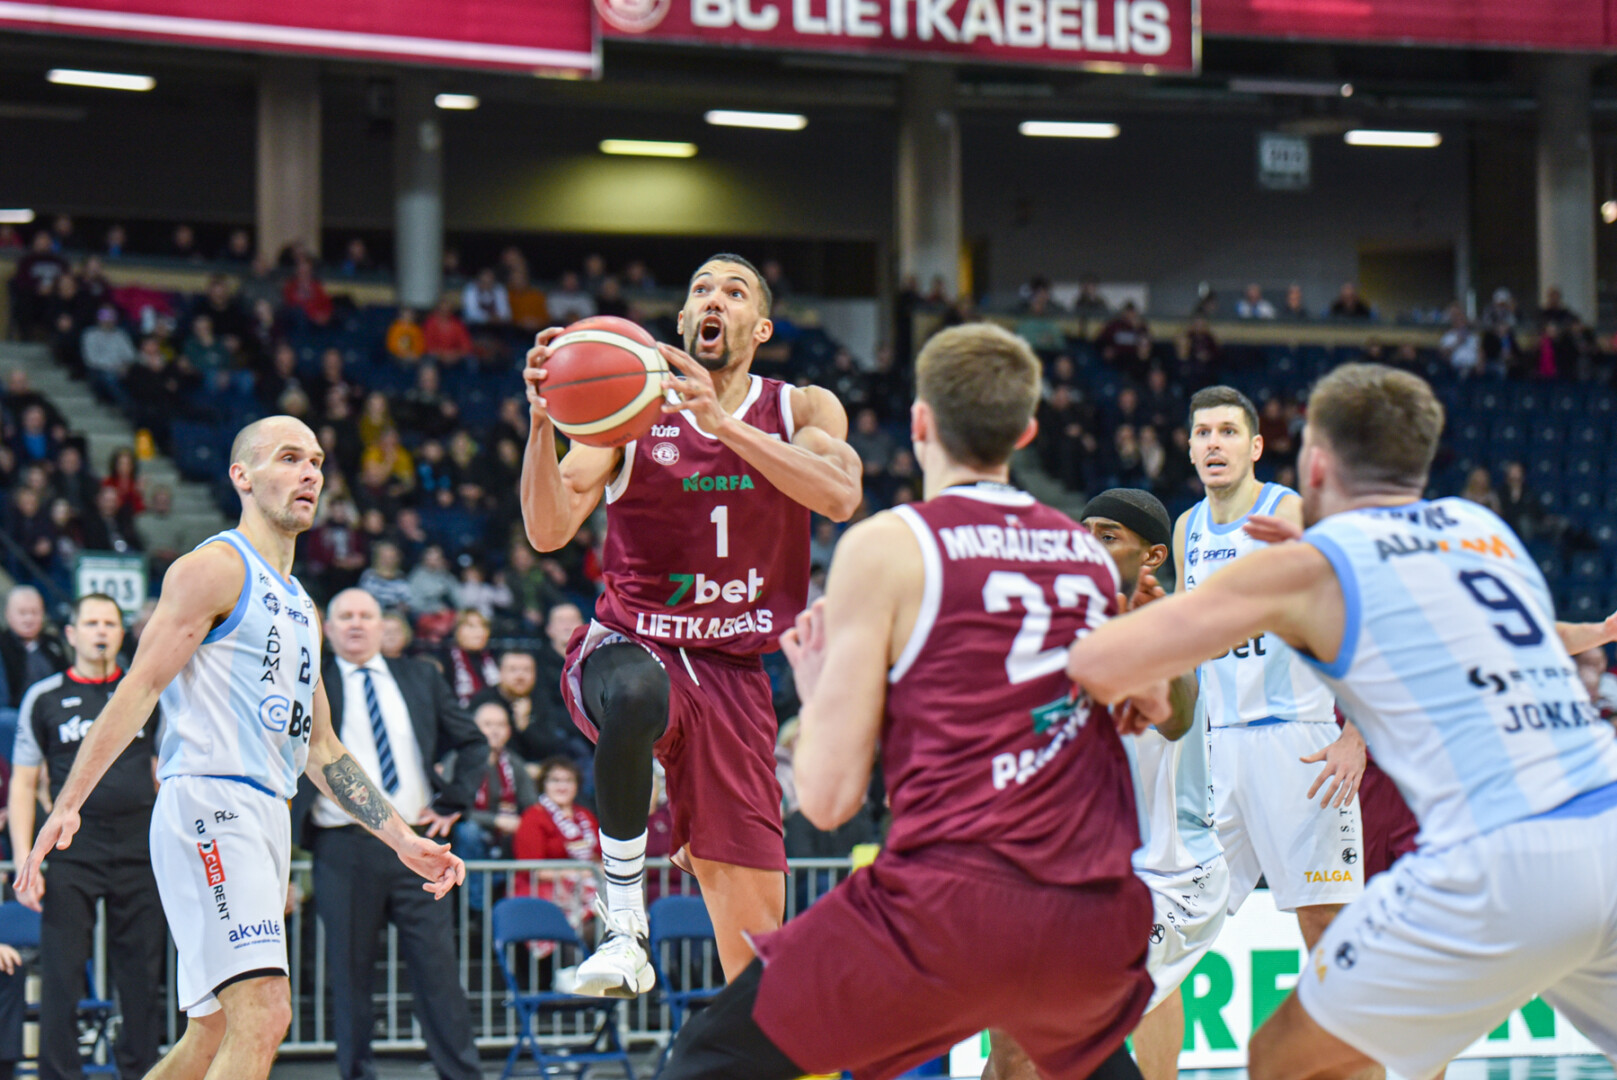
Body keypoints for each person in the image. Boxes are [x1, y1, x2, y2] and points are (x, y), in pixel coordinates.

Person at [1068, 363, 1617, 1080]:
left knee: (1292, 1052)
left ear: (1316, 464)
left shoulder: (1310, 550)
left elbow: (1103, 661)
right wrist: (1596, 631)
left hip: (1488, 844)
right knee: (1385, 1034)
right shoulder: (1478, 527)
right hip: (1602, 820)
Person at [659, 322, 1155, 1080]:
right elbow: (1139, 703)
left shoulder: (889, 545)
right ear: (1025, 430)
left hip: (947, 905)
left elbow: (828, 801)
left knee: (710, 1055)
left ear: (919, 422)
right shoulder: (1084, 553)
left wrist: (816, 691)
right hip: (1081, 906)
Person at [15, 416, 464, 1080]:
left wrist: (401, 838)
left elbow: (322, 749)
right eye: (289, 457)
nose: (309, 473)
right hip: (210, 802)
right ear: (242, 476)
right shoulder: (214, 569)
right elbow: (138, 688)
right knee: (265, 1013)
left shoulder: (303, 607)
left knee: (213, 1033)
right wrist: (68, 803)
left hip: (265, 812)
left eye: (316, 461)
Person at [520, 254, 861, 996]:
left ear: (760, 327)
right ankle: (623, 927)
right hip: (635, 640)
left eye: (734, 292)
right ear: (680, 322)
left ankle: (738, 1043)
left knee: (757, 963)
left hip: (735, 673)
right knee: (636, 694)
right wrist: (543, 422)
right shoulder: (628, 410)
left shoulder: (802, 408)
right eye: (700, 290)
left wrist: (723, 427)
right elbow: (547, 530)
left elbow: (839, 496)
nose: (714, 299)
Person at [987, 489, 1225, 1080]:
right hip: (1087, 873)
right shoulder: (1066, 629)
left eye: (1109, 536)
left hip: (1171, 877)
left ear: (1153, 557)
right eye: (1085, 531)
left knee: (1043, 1025)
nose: (1088, 544)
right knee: (1010, 1039)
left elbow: (1177, 717)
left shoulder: (1173, 630)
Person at [1174, 387, 1365, 956]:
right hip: (1216, 751)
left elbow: (1361, 615)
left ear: (1255, 446)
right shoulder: (1187, 529)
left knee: (1327, 927)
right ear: (1189, 448)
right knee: (1171, 927)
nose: (1214, 444)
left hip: (1299, 745)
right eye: (1203, 433)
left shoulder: (1290, 514)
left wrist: (1355, 736)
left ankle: (1369, 1018)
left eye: (1228, 432)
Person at [293, 587, 487, 1080]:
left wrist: (452, 802)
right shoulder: (310, 683)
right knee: (349, 972)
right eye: (345, 616)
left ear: (384, 626)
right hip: (342, 845)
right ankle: (357, 1074)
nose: (356, 624)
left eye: (366, 615)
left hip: (417, 842)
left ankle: (462, 1074)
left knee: (439, 970)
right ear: (327, 629)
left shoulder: (421, 676)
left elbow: (472, 742)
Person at [9, 594, 165, 1080]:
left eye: (110, 623)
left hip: (140, 848)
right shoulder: (45, 697)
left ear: (122, 634)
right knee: (62, 974)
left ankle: (142, 1072)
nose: (101, 631)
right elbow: (23, 783)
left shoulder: (146, 691)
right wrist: (26, 860)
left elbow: (167, 771)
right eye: (91, 623)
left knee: (141, 976)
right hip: (73, 850)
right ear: (71, 634)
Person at [511, 757, 601, 928]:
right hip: (545, 893)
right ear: (543, 784)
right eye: (555, 780)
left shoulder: (586, 816)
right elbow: (532, 870)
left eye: (569, 780)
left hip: (588, 889)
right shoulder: (533, 817)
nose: (562, 786)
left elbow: (600, 856)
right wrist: (581, 873)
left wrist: (597, 870)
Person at [0, 586, 68, 709]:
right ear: (7, 614)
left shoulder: (53, 644)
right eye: (22, 613)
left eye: (35, 612)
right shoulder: (3, 645)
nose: (29, 619)